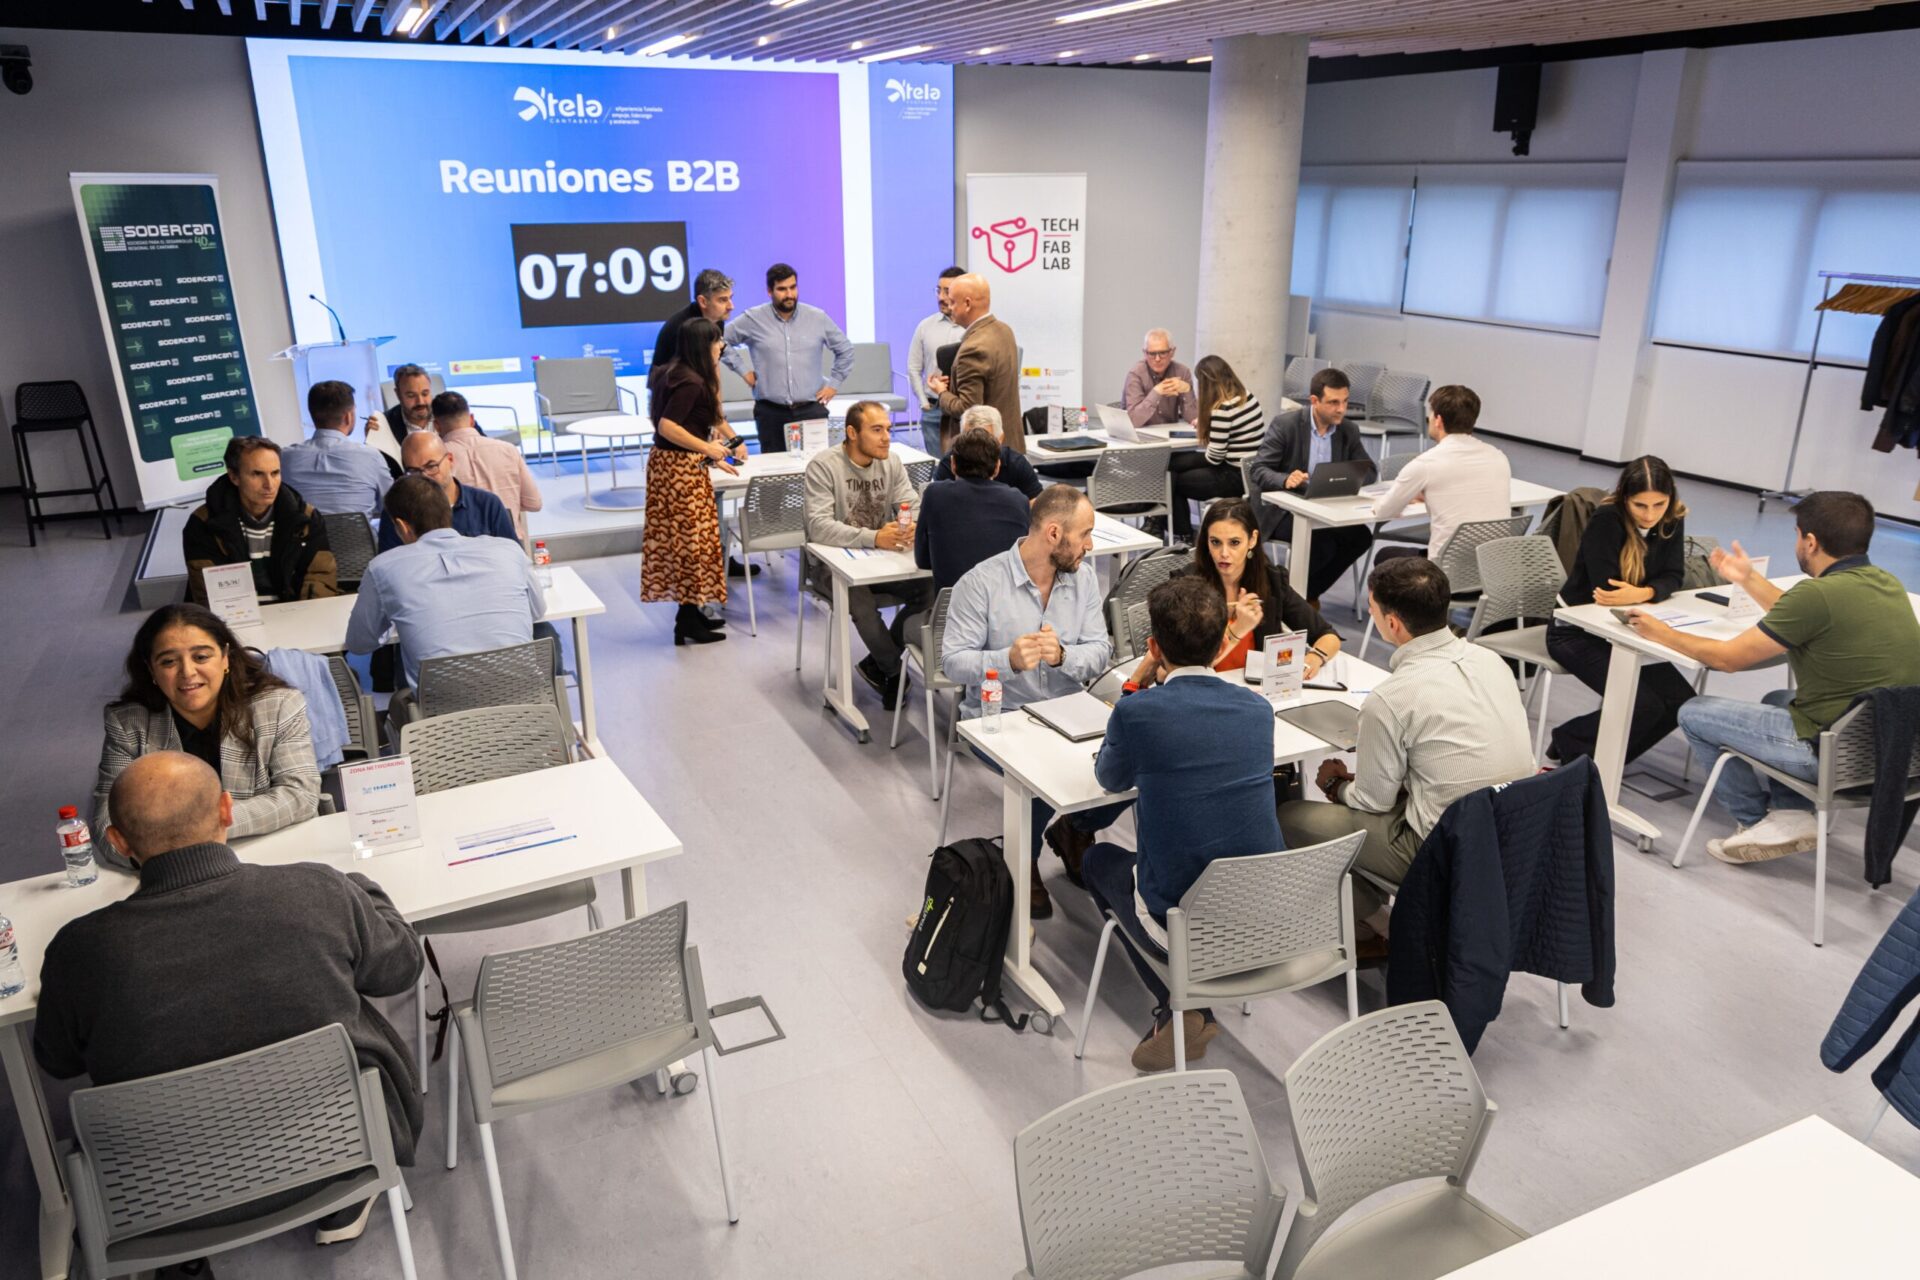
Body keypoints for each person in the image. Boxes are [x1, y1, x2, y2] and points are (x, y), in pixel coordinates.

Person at [38, 752, 425, 1247]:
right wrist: (360, 890)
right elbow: (400, 968)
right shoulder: (318, 891)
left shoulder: (78, 951)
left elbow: (59, 1060)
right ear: (226, 810)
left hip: (161, 1197)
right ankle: (344, 1197)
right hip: (343, 1149)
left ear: (117, 841)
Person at [1633, 491, 1920, 863]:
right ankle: (1790, 815)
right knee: (1778, 700)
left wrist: (1661, 632)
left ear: (1811, 542)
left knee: (1694, 712)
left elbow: (1726, 659)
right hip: (1895, 754)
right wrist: (1748, 578)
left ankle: (1754, 822)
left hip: (1837, 759)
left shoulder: (1816, 595)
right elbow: (1801, 612)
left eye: (1797, 535)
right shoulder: (1886, 583)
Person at [1081, 575, 1287, 1072]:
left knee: (1097, 859)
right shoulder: (1258, 710)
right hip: (1265, 914)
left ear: (1153, 646)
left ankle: (1179, 1004)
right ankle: (1187, 1006)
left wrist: (1134, 685)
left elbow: (1109, 778)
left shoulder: (1139, 712)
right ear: (1220, 646)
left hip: (1185, 921)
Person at [1277, 557, 1534, 952]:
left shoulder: (1392, 698)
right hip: (1517, 835)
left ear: (1392, 623)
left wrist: (1335, 785)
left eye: (1372, 609)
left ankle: (1384, 922)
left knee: (1288, 818)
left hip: (1445, 850)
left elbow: (1372, 802)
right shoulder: (1491, 661)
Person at [943, 486, 1122, 915]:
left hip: (1068, 711)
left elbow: (1101, 651)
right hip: (1000, 718)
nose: (1090, 545)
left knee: (1135, 765)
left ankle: (1075, 828)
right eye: (1085, 534)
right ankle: (1022, 862)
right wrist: (1005, 660)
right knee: (1040, 778)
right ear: (1054, 533)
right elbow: (952, 663)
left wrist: (1062, 656)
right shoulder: (981, 583)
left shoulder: (1083, 579)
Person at [94, 602, 321, 863]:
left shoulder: (277, 705)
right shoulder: (129, 723)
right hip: (177, 871)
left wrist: (200, 829)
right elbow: (106, 824)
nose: (188, 672)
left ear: (225, 658)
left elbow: (300, 794)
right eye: (168, 661)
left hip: (271, 857)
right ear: (151, 670)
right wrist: (178, 854)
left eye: (201, 657)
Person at [1546, 456, 1694, 766]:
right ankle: (1577, 749)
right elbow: (1607, 590)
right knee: (1644, 704)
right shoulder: (1607, 519)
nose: (1650, 515)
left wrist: (1644, 592)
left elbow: (1673, 576)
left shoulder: (1672, 518)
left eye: (1659, 504)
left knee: (1683, 703)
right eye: (1640, 505)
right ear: (1625, 497)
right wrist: (1650, 591)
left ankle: (1593, 757)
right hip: (1574, 632)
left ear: (1670, 498)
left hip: (1630, 629)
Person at [347, 476, 545, 692]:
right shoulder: (509, 550)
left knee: (398, 700)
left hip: (441, 712)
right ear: (448, 511)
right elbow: (536, 611)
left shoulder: (383, 568)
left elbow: (359, 643)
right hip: (526, 703)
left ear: (402, 526)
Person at [1129, 499, 1341, 686]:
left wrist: (1314, 658)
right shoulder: (1185, 586)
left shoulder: (1272, 581)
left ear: (1252, 540)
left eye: (1234, 543)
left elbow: (1327, 635)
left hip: (1253, 691)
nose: (1224, 553)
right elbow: (1174, 672)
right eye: (1215, 542)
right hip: (1201, 692)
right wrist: (1238, 629)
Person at [805, 400, 928, 708]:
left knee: (931, 588)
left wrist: (910, 525)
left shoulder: (891, 462)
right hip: (829, 567)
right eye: (876, 430)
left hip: (878, 561)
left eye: (887, 429)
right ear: (852, 433)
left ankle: (877, 662)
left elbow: (912, 506)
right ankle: (894, 671)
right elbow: (818, 527)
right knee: (860, 600)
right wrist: (874, 538)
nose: (886, 437)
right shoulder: (823, 466)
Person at [641, 317, 743, 646]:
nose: (721, 346)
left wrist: (715, 454)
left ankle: (692, 613)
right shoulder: (691, 382)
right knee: (690, 544)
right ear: (703, 345)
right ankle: (686, 621)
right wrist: (708, 448)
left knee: (690, 543)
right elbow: (668, 426)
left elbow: (696, 420)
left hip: (674, 465)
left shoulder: (676, 372)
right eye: (716, 341)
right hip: (680, 472)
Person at [1249, 366, 1374, 605]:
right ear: (1314, 401)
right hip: (1282, 510)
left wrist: (1347, 478)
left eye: (1345, 401)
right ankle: (1292, 598)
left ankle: (1302, 596)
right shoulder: (1286, 425)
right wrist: (1285, 479)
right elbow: (1258, 469)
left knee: (1360, 537)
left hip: (1325, 507)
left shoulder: (1348, 430)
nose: (1341, 409)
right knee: (1322, 543)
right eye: (1334, 402)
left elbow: (1370, 471)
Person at [184, 436, 339, 605]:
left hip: (295, 612)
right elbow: (209, 593)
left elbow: (319, 577)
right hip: (235, 615)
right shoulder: (203, 523)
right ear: (234, 477)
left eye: (275, 473)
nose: (269, 484)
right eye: (257, 474)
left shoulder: (306, 518)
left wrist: (306, 615)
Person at [723, 262, 854, 455]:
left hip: (811, 409)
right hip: (771, 412)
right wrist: (743, 371)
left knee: (816, 466)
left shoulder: (817, 317)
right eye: (782, 289)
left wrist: (833, 385)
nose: (789, 294)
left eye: (793, 287)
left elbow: (846, 350)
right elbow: (719, 341)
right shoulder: (753, 319)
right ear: (770, 291)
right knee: (773, 468)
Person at [1371, 384, 1511, 562]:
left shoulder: (1425, 464)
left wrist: (1379, 502)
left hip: (1444, 569)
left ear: (1438, 420)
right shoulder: (1498, 457)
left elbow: (1384, 511)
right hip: (1492, 568)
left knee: (1385, 556)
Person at [916, 426, 1031, 595]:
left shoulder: (935, 494)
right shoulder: (1018, 500)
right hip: (1004, 604)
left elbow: (922, 560)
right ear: (997, 467)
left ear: (953, 464)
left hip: (952, 606)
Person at [1167, 355, 1264, 542]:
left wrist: (1210, 426)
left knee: (1173, 477)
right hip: (1250, 474)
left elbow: (1214, 458)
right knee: (1175, 464)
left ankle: (1183, 534)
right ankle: (1179, 532)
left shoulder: (1222, 410)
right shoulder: (1247, 396)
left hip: (1232, 476)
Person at [376, 430, 518, 552]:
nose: (424, 477)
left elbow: (514, 556)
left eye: (431, 466)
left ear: (450, 460)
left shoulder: (487, 504)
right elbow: (389, 566)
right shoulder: (395, 512)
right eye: (414, 471)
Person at [929, 273, 1024, 453]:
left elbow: (968, 409)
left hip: (985, 453)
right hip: (1009, 446)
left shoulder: (973, 348)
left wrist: (941, 392)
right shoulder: (1005, 330)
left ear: (967, 304)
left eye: (952, 302)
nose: (949, 307)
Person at [432, 390, 542, 541]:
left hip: (463, 547)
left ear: (436, 426)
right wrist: (509, 501)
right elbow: (534, 503)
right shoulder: (508, 449)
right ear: (472, 419)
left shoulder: (437, 460)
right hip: (511, 544)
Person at [278, 380, 393, 518]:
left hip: (306, 532)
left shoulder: (284, 458)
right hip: (358, 532)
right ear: (348, 417)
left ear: (312, 415)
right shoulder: (371, 457)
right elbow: (392, 506)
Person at [650, 267, 734, 397]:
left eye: (730, 298)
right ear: (703, 301)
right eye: (722, 300)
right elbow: (679, 375)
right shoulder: (682, 327)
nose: (731, 306)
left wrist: (716, 406)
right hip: (670, 391)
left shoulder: (717, 319)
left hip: (693, 387)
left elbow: (713, 366)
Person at [932, 404, 1042, 499]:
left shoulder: (1016, 464)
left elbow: (1036, 506)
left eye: (985, 441)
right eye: (970, 440)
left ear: (1000, 439)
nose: (977, 449)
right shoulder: (947, 463)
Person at [908, 266, 967, 422]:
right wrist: (923, 401)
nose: (941, 297)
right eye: (938, 290)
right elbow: (914, 368)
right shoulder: (925, 326)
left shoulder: (974, 328)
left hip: (966, 409)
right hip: (933, 409)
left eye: (947, 291)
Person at [1120, 329, 1198, 429]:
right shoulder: (1136, 374)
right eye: (1152, 354)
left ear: (1172, 352)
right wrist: (1156, 392)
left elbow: (1194, 419)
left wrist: (1187, 390)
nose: (1157, 359)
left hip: (1169, 433)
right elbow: (1133, 421)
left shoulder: (1182, 372)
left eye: (1163, 353)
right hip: (1141, 433)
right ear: (1145, 353)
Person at [383, 363, 437, 439]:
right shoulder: (385, 424)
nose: (420, 402)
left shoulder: (447, 412)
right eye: (411, 396)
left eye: (425, 394)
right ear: (398, 394)